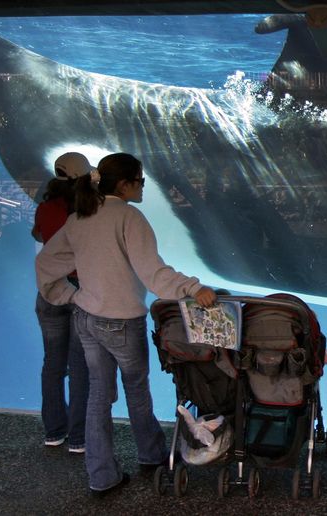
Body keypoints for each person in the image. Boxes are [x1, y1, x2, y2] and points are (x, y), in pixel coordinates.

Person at [35, 152, 218, 496]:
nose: (144, 187)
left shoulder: (80, 217)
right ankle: (151, 455)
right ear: (125, 183)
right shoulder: (129, 218)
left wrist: (71, 296)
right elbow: (153, 274)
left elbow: (46, 263)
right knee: (136, 390)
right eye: (141, 181)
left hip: (87, 319)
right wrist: (194, 288)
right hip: (121, 322)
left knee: (97, 398)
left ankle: (101, 476)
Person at [31, 152, 94, 454]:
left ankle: (54, 431)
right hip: (81, 291)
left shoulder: (44, 208)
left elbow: (40, 235)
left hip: (50, 291)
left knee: (52, 365)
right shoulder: (87, 211)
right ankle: (79, 437)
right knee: (80, 365)